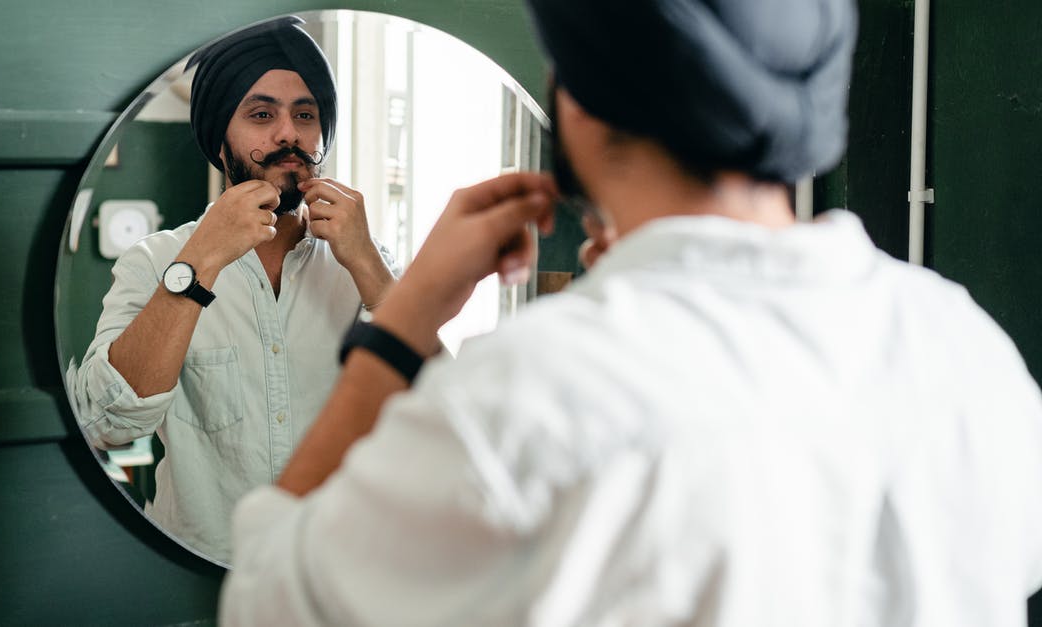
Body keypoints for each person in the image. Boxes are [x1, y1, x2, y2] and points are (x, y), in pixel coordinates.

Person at [221, 1, 1042, 625]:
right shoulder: (969, 351)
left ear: (579, 104)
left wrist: (399, 324)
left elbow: (265, 594)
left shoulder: (528, 390)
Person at [67, 16, 397, 563]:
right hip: (194, 577)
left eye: (306, 114)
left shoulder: (365, 263)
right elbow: (105, 424)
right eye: (262, 114)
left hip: (343, 575)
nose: (288, 133)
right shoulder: (153, 262)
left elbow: (444, 409)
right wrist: (199, 261)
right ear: (220, 137)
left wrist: (370, 268)